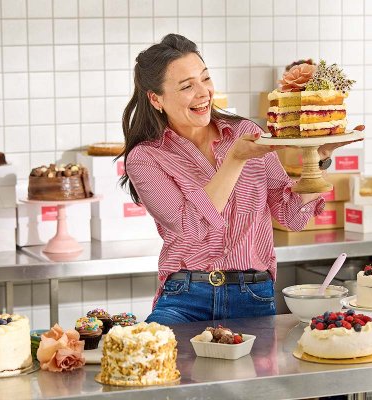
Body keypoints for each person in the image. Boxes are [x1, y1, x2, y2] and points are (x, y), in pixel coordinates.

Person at [118, 34, 357, 325]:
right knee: (156, 364)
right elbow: (190, 226)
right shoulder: (146, 158)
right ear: (156, 98)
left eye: (205, 78)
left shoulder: (245, 132)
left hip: (253, 296)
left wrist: (317, 160)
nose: (203, 92)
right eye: (186, 86)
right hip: (185, 297)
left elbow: (291, 216)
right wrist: (236, 159)